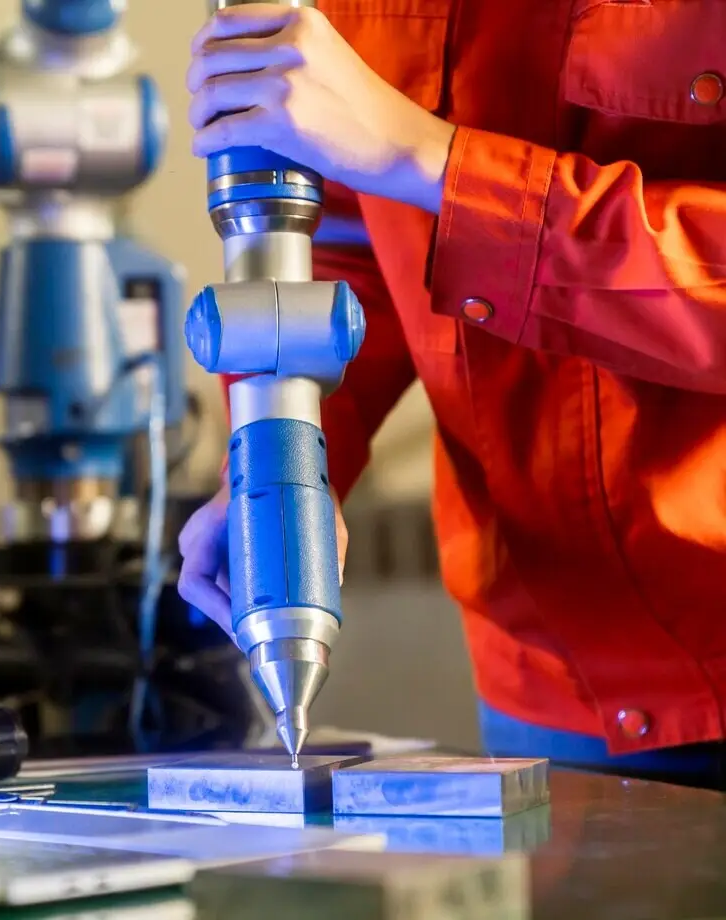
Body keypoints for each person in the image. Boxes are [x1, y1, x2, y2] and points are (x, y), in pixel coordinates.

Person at [176, 1, 726, 790]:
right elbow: (345, 235)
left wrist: (430, 160)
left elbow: (396, 162)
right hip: (550, 674)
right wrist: (281, 450)